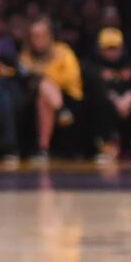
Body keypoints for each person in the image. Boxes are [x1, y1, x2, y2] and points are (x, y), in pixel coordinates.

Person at [18, 17, 83, 162]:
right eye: (34, 36)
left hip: (68, 96)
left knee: (44, 88)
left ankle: (43, 149)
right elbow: (24, 78)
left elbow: (71, 77)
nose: (38, 40)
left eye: (42, 35)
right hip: (41, 98)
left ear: (50, 36)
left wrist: (46, 77)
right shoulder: (26, 56)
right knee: (43, 92)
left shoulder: (63, 51)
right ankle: (61, 111)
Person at [84, 27, 131, 163]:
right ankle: (106, 144)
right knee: (100, 103)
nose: (112, 52)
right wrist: (115, 100)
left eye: (115, 48)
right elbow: (95, 87)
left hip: (127, 106)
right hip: (105, 107)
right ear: (100, 49)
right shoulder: (92, 65)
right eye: (108, 48)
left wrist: (130, 96)